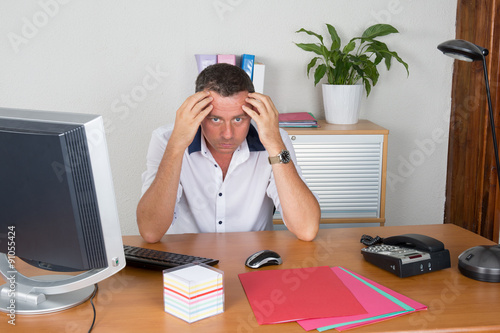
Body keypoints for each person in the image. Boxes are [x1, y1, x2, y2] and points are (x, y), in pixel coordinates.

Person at [136, 63, 320, 243]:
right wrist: (176, 146)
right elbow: (151, 231)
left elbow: (307, 229)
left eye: (238, 119)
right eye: (215, 119)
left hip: (254, 261)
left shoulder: (275, 140)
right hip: (186, 263)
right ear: (198, 114)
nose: (227, 134)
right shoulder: (166, 139)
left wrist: (276, 146)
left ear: (253, 113)